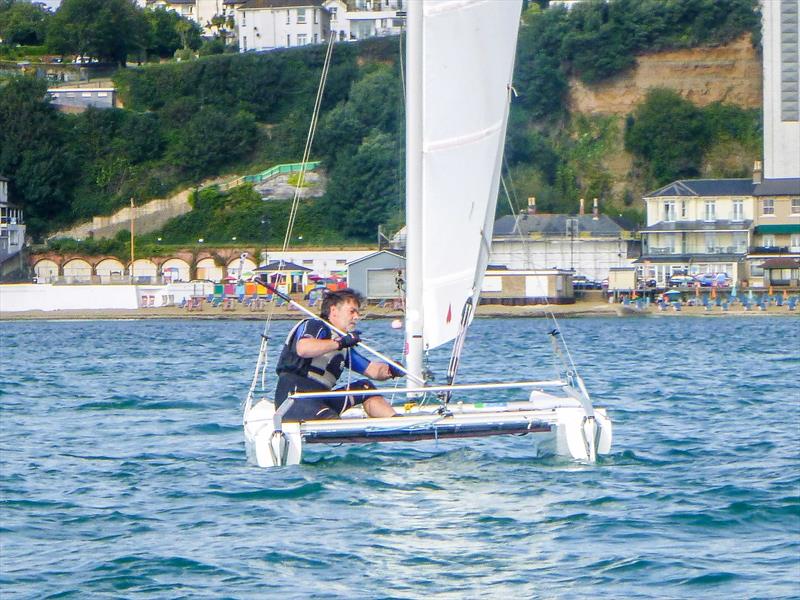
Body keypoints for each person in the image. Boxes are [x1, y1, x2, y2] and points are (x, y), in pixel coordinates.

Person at [274, 288, 400, 421]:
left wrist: (391, 370)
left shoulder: (344, 346)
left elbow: (372, 370)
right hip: (295, 397)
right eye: (352, 311)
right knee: (329, 417)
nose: (356, 317)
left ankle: (397, 421)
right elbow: (303, 348)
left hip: (322, 398)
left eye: (357, 312)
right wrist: (340, 342)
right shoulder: (316, 325)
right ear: (334, 311)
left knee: (365, 388)